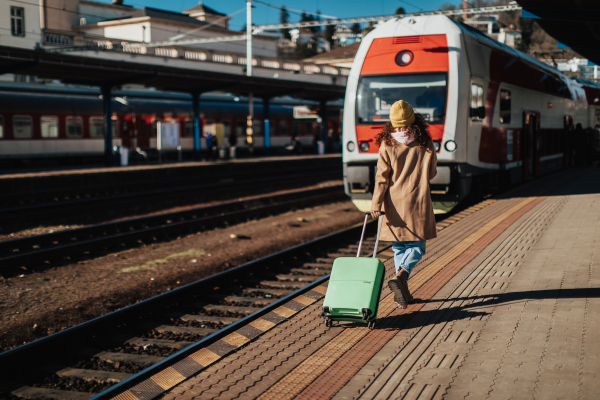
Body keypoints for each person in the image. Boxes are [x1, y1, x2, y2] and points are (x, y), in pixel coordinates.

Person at [370, 100, 438, 309]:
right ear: (414, 121)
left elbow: (381, 178)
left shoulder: (387, 144)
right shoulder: (424, 141)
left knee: (399, 246)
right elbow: (432, 173)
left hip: (393, 203)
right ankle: (402, 275)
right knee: (417, 246)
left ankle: (403, 294)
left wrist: (376, 204)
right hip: (418, 200)